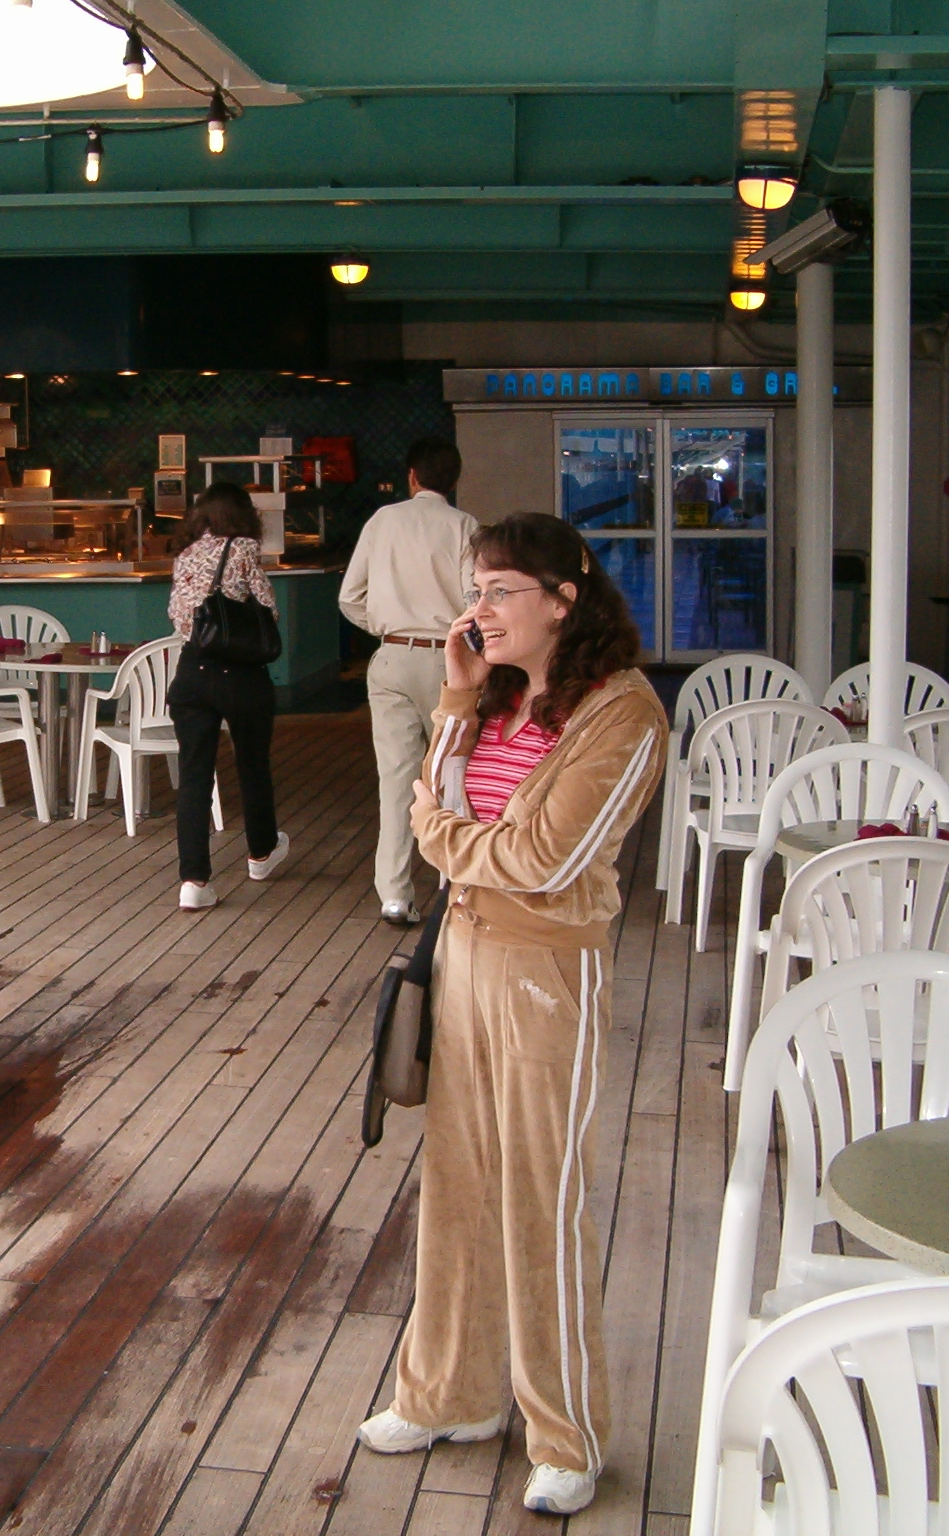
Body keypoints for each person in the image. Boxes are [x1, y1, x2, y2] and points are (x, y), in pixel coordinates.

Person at [355, 512, 665, 1518]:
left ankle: (564, 1433)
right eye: (475, 591)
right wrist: (454, 694)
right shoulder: (490, 693)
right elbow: (429, 793)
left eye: (498, 592)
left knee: (539, 1197)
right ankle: (449, 1394)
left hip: (545, 974)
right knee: (456, 1187)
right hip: (463, 955)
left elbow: (542, 859)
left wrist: (443, 833)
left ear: (563, 601)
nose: (478, 610)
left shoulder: (620, 715)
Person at [338, 436, 479, 927]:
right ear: (454, 480)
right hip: (449, 662)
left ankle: (395, 895)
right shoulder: (464, 525)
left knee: (397, 779)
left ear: (412, 477)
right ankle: (457, 883)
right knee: (455, 774)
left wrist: (386, 626)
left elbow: (350, 596)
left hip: (392, 656)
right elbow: (474, 599)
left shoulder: (382, 520)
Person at [166, 482, 288, 910]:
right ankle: (261, 854)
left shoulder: (184, 555)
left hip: (191, 672)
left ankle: (194, 881)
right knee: (252, 764)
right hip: (239, 674)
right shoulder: (244, 548)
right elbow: (268, 608)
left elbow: (177, 614)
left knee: (194, 776)